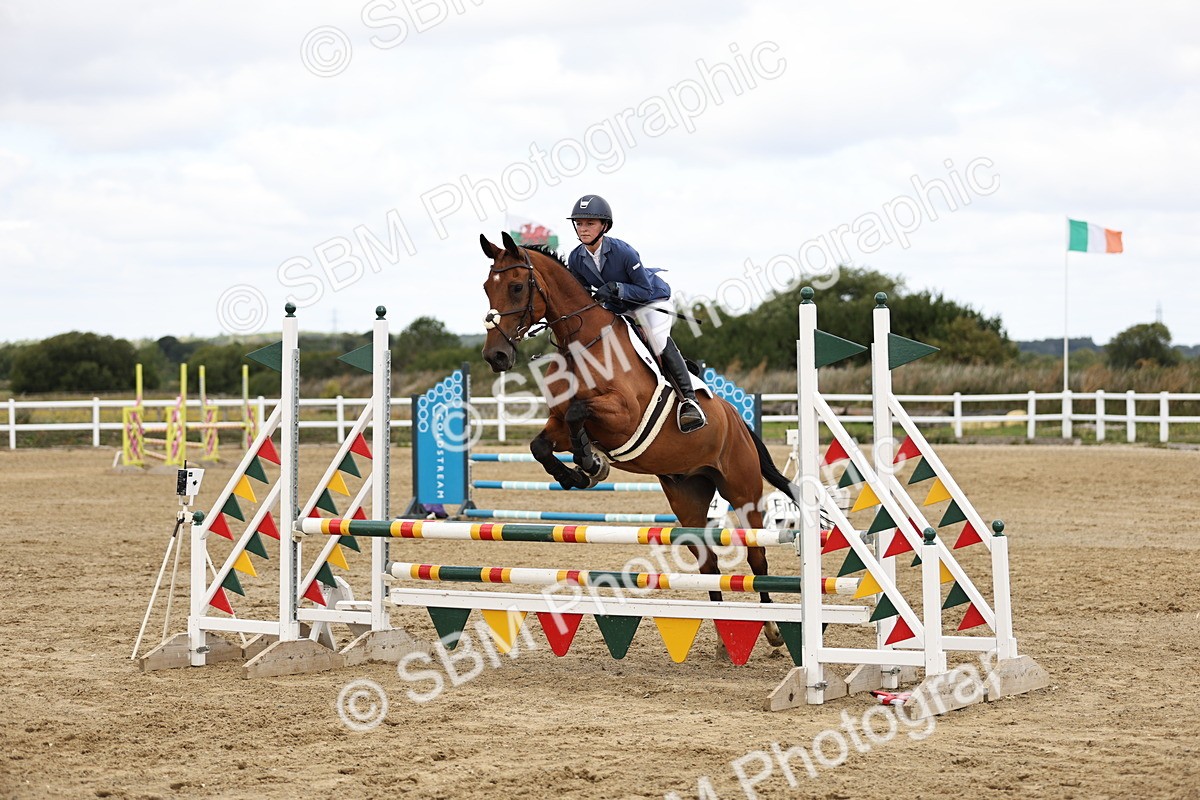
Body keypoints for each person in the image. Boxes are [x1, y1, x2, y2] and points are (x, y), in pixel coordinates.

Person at [564, 194, 707, 433]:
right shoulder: (576, 258)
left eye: (590, 223)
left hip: (649, 300)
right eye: (579, 223)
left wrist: (617, 288)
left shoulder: (623, 252)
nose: (583, 229)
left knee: (658, 341)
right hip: (618, 308)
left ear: (604, 226)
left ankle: (690, 402)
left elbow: (644, 288)